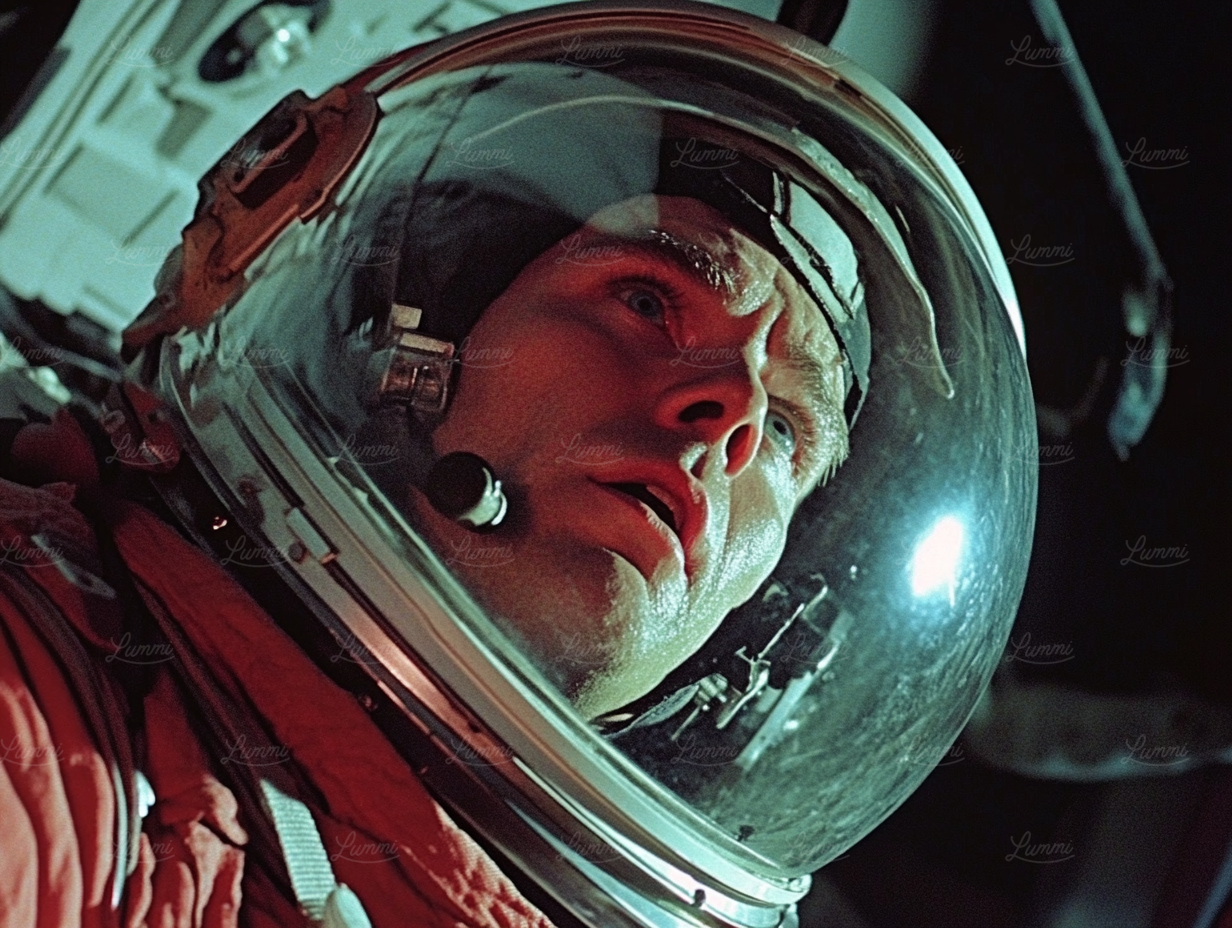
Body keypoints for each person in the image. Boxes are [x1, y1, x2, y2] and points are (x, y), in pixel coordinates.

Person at [0, 4, 1037, 926]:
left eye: (783, 433)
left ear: (750, 632)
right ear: (403, 352)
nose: (733, 410)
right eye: (646, 300)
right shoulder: (54, 731)